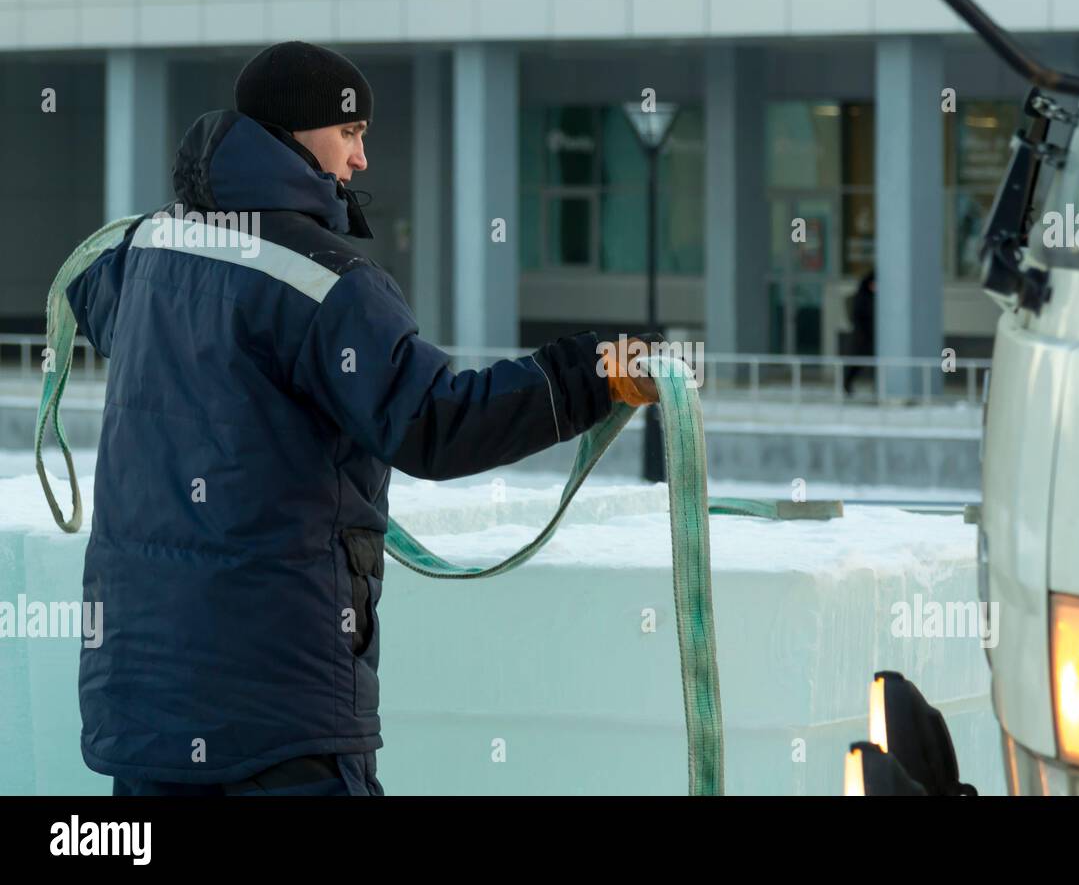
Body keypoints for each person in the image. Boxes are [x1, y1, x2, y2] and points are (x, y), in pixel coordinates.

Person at [66, 41, 656, 796]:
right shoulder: (323, 282)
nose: (362, 158)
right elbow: (438, 424)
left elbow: (90, 288)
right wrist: (592, 374)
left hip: (141, 710)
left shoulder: (146, 252)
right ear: (295, 134)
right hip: (280, 713)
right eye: (350, 134)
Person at [843, 267, 876, 396]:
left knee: (877, 363)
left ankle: (878, 386)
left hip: (872, 336)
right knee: (857, 361)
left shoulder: (874, 297)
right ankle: (847, 383)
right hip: (863, 336)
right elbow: (858, 316)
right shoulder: (863, 297)